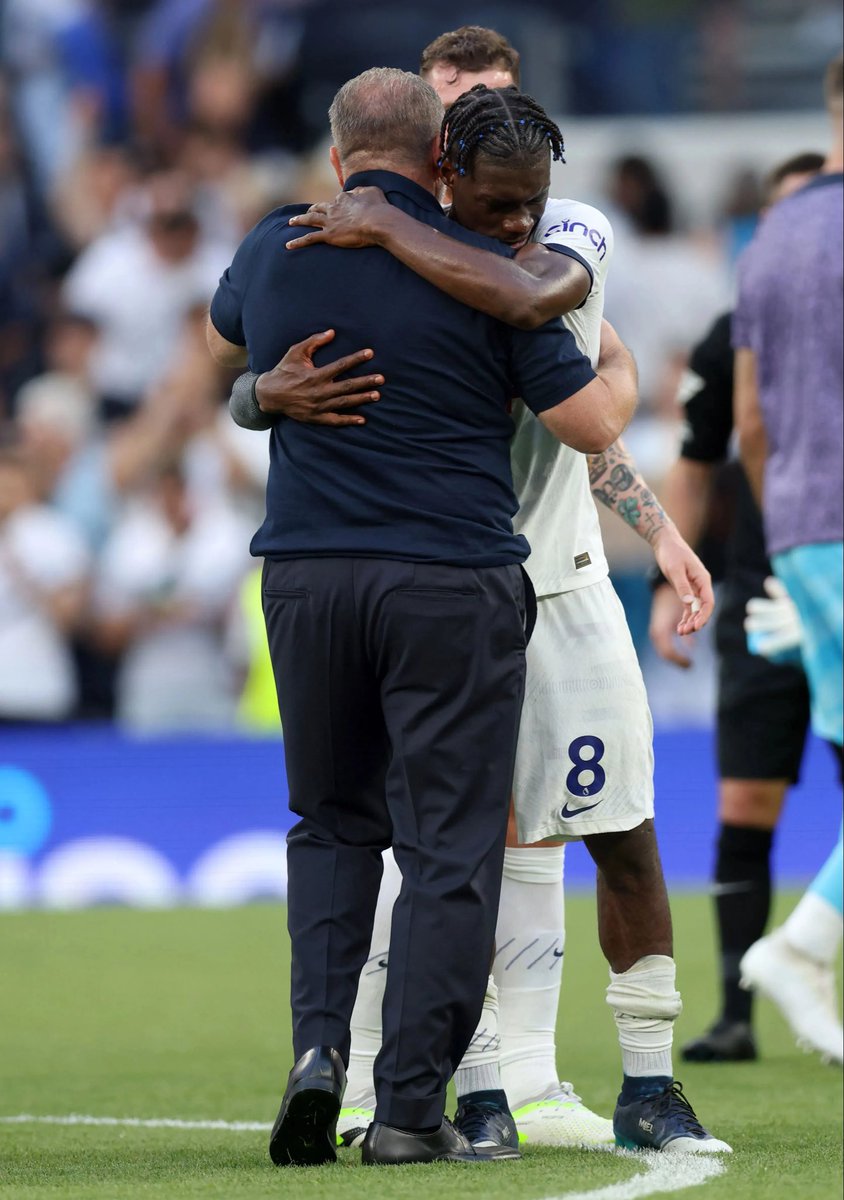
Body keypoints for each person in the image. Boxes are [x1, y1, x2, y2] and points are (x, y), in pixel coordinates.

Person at [235, 64, 729, 1156]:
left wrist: (656, 514)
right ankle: (446, 1097)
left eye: (525, 197)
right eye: (492, 193)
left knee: (589, 828)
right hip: (457, 578)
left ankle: (626, 1077)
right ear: (438, 158)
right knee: (451, 846)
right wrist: (257, 392)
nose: (516, 218)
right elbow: (574, 394)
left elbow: (555, 337)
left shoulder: (541, 237)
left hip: (453, 572)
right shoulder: (449, 265)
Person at [649, 152, 831, 1064]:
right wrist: (664, 578)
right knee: (746, 800)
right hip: (765, 594)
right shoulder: (731, 336)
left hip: (815, 578)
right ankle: (735, 1009)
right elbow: (696, 456)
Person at [731, 52, 844, 1067]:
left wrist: (787, 547)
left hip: (804, 532)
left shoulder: (771, 238)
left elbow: (749, 422)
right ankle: (803, 944)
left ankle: (805, 946)